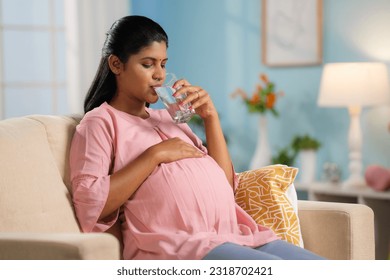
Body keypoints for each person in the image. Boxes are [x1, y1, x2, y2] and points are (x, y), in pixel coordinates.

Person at [69, 15, 325, 260]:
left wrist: (210, 118)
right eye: (148, 64)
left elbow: (226, 186)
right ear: (116, 64)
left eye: (163, 64)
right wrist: (154, 155)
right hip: (174, 246)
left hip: (236, 234)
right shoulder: (100, 122)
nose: (159, 74)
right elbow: (91, 203)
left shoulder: (170, 119)